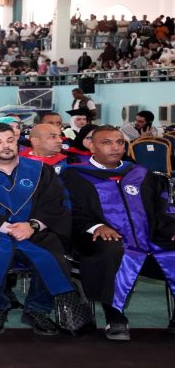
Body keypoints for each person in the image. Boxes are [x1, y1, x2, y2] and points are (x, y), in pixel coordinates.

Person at [0, 123, 77, 335]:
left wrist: (33, 225)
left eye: (10, 140)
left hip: (34, 232)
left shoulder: (39, 171)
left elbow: (56, 205)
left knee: (52, 259)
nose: (6, 146)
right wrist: (0, 225)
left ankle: (37, 310)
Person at [61, 126, 175, 340]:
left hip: (148, 237)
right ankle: (115, 317)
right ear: (92, 146)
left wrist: (171, 228)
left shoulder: (142, 174)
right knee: (110, 249)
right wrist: (96, 226)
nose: (115, 147)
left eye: (120, 142)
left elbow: (161, 209)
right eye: (106, 143)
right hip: (96, 239)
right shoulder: (75, 176)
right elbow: (68, 212)